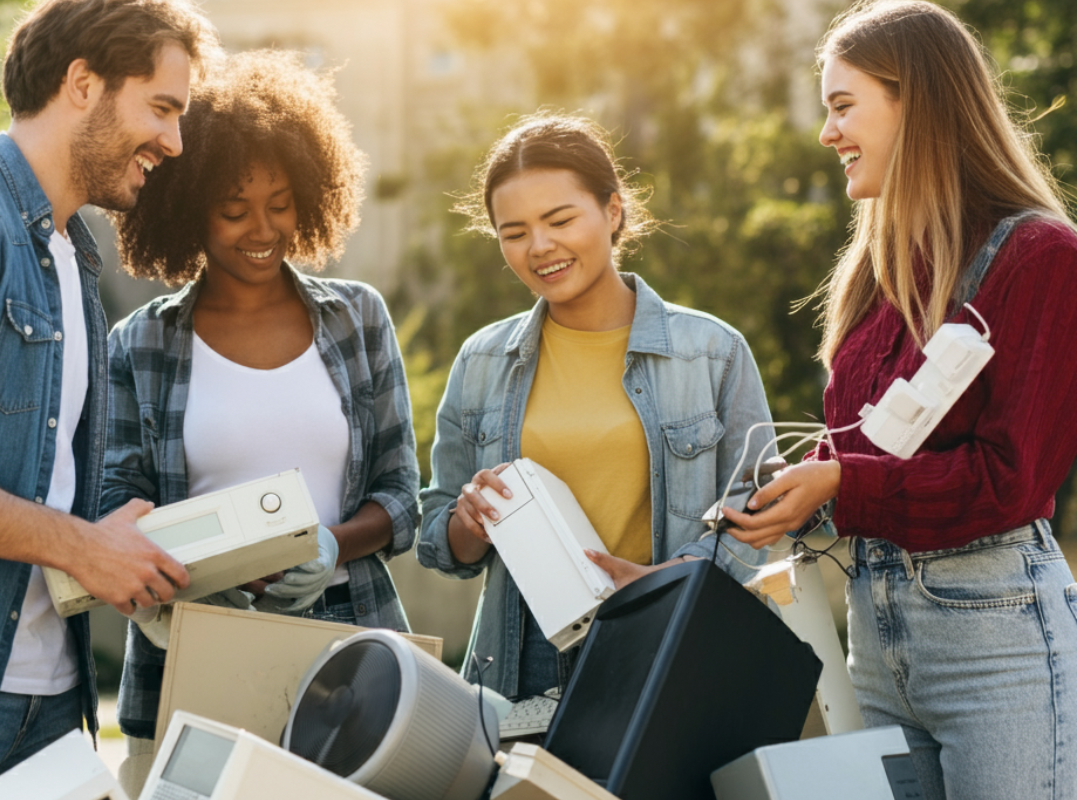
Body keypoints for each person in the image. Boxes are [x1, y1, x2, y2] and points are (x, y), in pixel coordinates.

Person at [722, 2, 1077, 798]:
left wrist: (844, 482)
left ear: (916, 101)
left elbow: (1008, 481)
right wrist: (798, 491)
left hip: (997, 642)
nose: (827, 134)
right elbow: (874, 450)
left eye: (843, 106)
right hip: (876, 644)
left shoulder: (1041, 257)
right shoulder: (875, 274)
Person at [0, 0, 217, 775]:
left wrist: (129, 542)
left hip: (54, 698)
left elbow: (34, 481)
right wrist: (79, 546)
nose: (174, 141)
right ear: (82, 82)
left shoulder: (74, 260)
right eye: (161, 108)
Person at [103, 48, 420, 754]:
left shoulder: (357, 319)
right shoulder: (141, 343)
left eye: (280, 206)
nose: (263, 230)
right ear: (188, 212)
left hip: (350, 638)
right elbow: (115, 502)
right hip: (198, 642)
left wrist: (333, 544)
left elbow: (402, 497)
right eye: (234, 211)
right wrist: (196, 574)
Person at [417, 113, 775, 700]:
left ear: (612, 212)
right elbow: (439, 540)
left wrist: (671, 578)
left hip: (671, 636)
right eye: (514, 232)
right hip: (523, 655)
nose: (540, 247)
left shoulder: (711, 351)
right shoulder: (480, 360)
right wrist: (468, 521)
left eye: (560, 220)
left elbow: (761, 509)